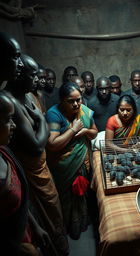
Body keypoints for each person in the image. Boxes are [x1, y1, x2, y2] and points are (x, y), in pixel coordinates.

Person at [4, 54, 69, 256]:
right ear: (18, 75)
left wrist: (41, 127)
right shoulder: (11, 103)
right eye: (32, 76)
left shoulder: (31, 96)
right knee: (43, 219)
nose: (36, 80)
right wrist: (40, 120)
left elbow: (42, 138)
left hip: (42, 167)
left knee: (54, 212)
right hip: (31, 171)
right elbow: (37, 146)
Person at [46, 82, 98, 240]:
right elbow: (53, 144)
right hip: (64, 166)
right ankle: (69, 227)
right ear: (62, 100)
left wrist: (85, 131)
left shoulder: (84, 111)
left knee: (82, 194)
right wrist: (73, 130)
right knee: (68, 197)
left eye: (79, 100)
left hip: (82, 161)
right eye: (71, 101)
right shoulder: (54, 114)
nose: (76, 104)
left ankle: (81, 222)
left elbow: (95, 132)